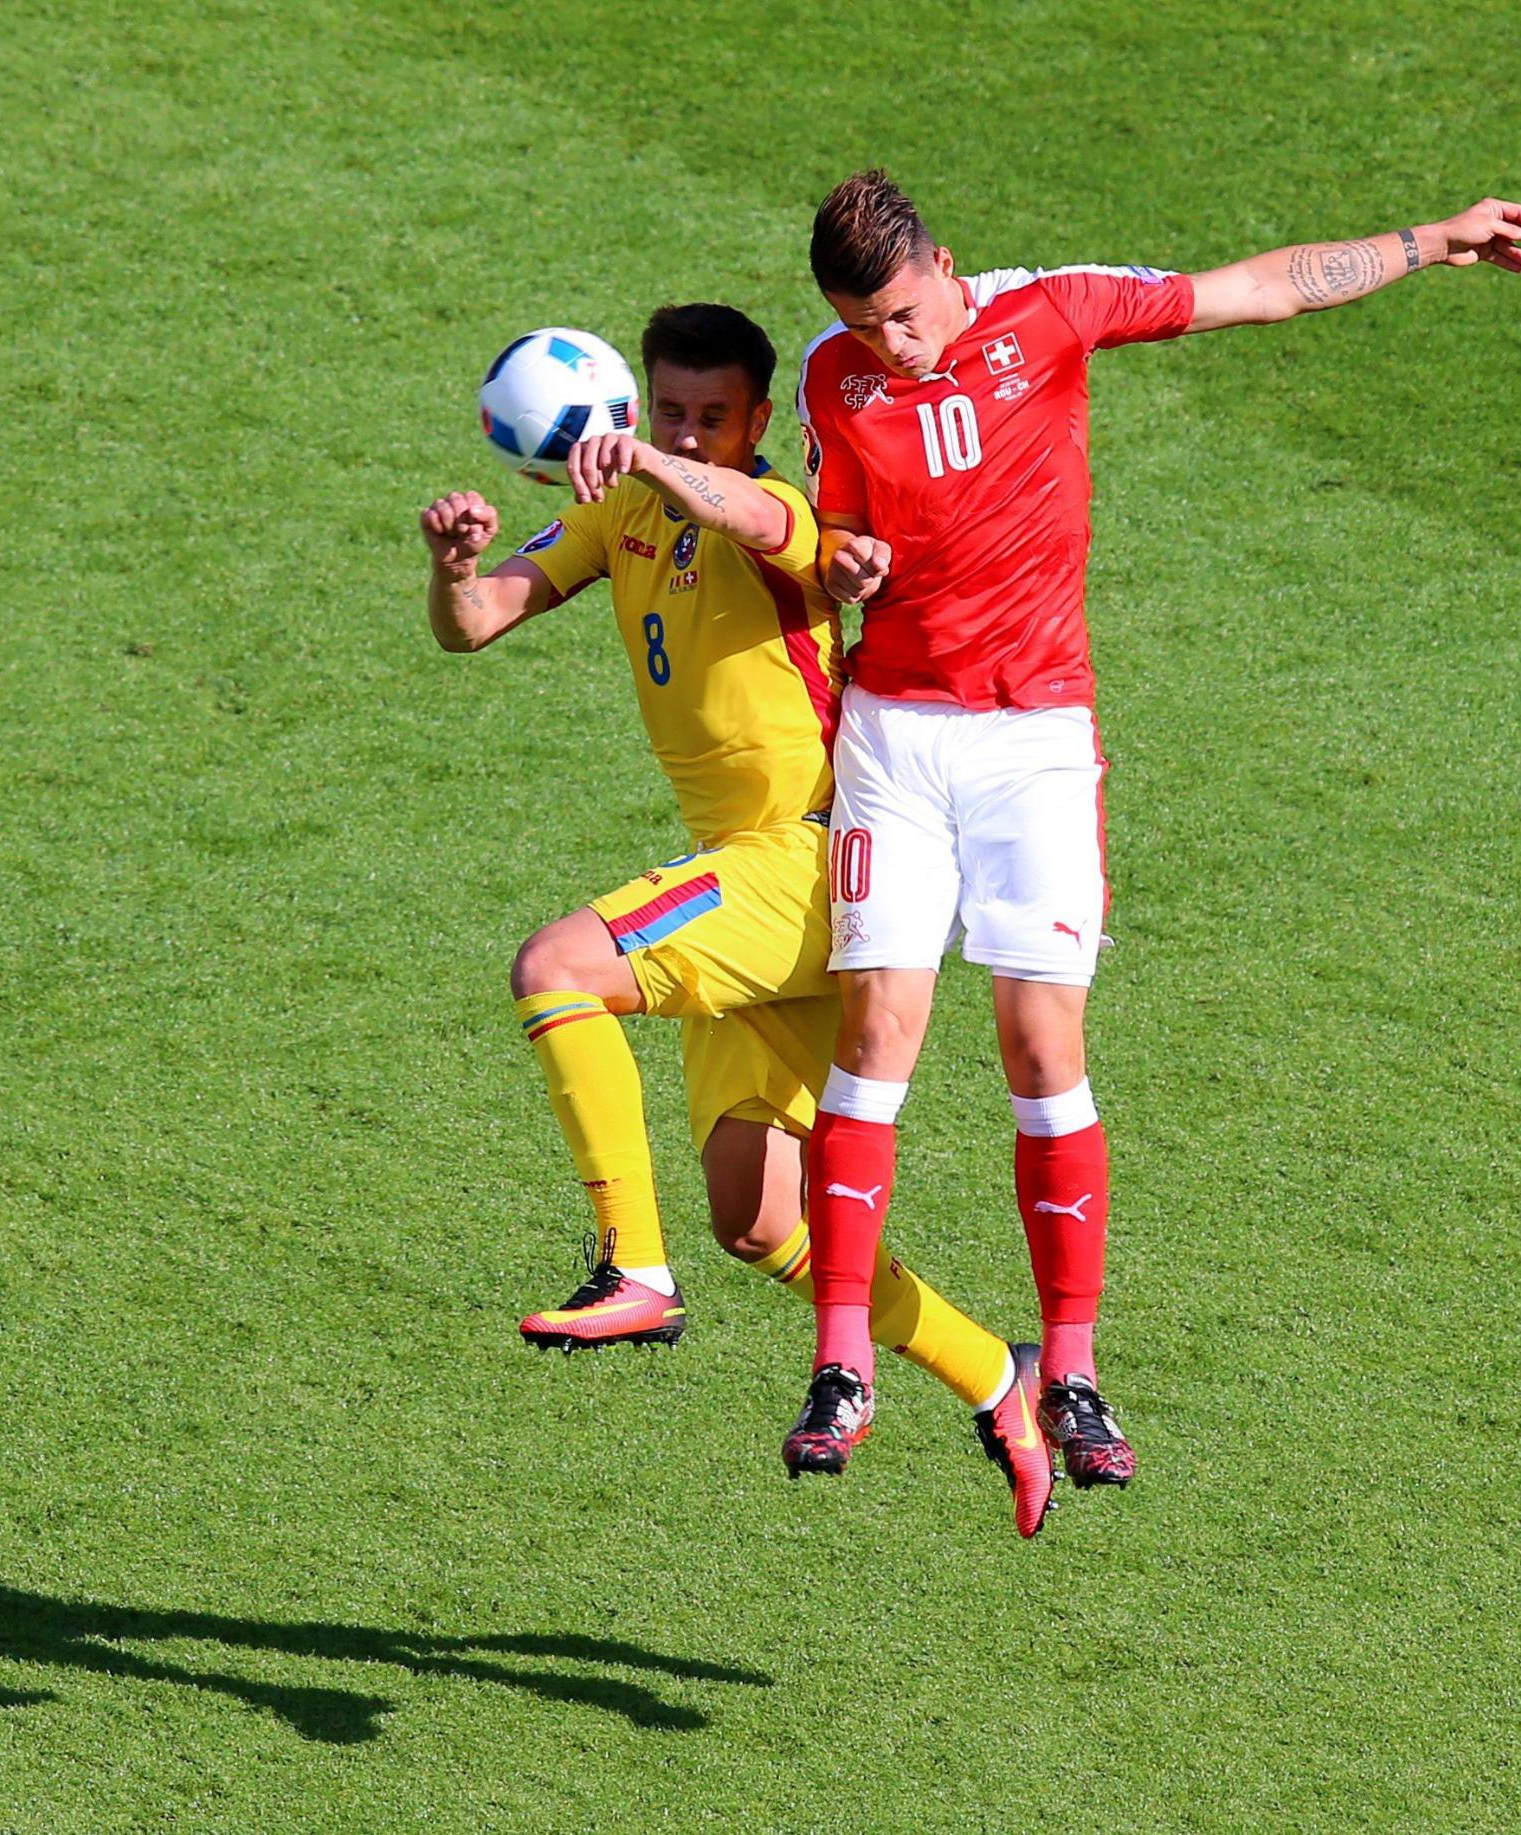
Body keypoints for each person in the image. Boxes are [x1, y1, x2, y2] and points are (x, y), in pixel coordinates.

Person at [780, 171, 1521, 1488]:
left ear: (946, 266)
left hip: (1033, 742)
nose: (890, 345)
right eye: (864, 324)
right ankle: (841, 1363)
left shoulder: (1054, 312)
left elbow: (1254, 289)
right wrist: (839, 558)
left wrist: (1432, 240)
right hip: (894, 740)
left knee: (1042, 1043)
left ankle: (1071, 1371)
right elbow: (830, 528)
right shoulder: (827, 374)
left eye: (903, 314)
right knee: (875, 1033)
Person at [422, 303, 1055, 1534]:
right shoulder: (619, 510)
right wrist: (454, 568)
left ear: (758, 419)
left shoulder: (781, 509)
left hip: (817, 859)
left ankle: (631, 1268)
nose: (685, 434)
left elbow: (759, 521)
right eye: (668, 412)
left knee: (558, 967)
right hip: (759, 878)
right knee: (762, 1220)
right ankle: (998, 1376)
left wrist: (667, 468)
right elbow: (478, 621)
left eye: (712, 417)